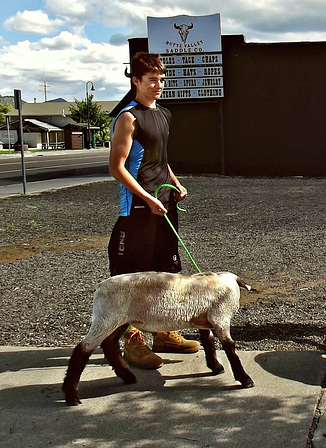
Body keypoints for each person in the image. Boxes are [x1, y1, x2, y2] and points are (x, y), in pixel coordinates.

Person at [107, 52, 200, 369]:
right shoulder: (127, 118)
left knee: (167, 273)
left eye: (162, 79)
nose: (158, 85)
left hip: (164, 204)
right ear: (136, 81)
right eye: (152, 80)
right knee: (135, 279)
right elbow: (117, 168)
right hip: (137, 210)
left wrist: (176, 182)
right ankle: (133, 342)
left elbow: (160, 157)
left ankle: (163, 332)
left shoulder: (163, 115)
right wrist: (147, 198)